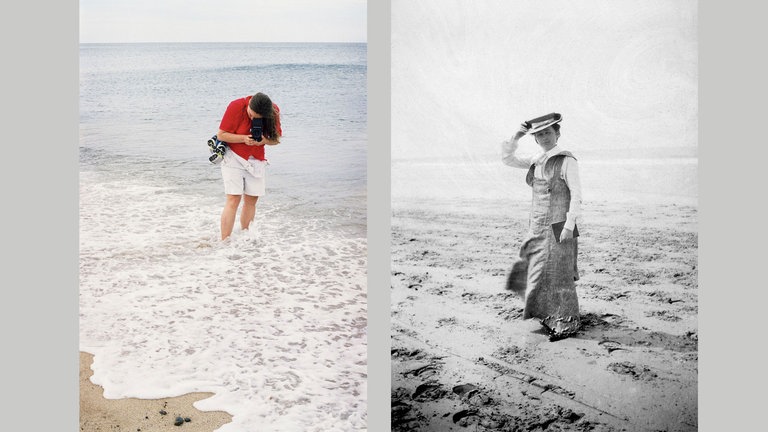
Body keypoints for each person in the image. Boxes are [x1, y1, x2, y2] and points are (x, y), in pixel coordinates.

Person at [501, 112, 583, 341]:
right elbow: (507, 158)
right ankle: (548, 316)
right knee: (538, 270)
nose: (544, 137)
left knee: (560, 273)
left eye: (548, 132)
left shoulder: (567, 160)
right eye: (539, 134)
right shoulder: (536, 159)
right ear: (535, 138)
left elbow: (576, 194)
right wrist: (517, 135)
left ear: (557, 133)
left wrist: (569, 225)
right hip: (538, 224)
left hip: (561, 223)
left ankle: (567, 324)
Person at [216, 92, 282, 240]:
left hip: (257, 159)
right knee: (233, 198)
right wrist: (243, 139)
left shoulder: (273, 111)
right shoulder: (236, 106)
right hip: (233, 155)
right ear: (249, 105)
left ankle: (245, 239)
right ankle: (224, 242)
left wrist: (264, 140)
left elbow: (276, 139)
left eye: (258, 119)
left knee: (252, 200)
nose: (253, 119)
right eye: (251, 115)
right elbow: (221, 135)